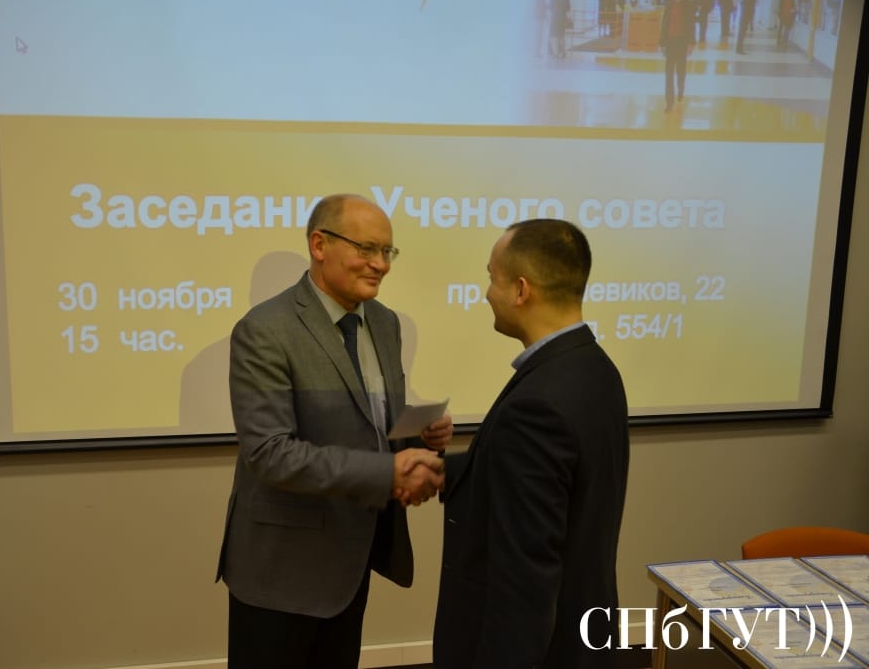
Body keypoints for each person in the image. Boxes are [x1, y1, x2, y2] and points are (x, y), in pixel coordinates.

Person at [216, 193, 453, 669]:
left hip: (350, 558)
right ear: (319, 245)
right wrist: (388, 472)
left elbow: (371, 420)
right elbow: (270, 453)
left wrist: (417, 437)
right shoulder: (265, 329)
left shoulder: (384, 323)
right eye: (367, 249)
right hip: (280, 572)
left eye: (387, 251)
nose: (381, 264)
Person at [430, 219, 630, 669]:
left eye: (491, 278)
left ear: (521, 290)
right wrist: (446, 472)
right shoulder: (596, 369)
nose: (486, 293)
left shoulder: (535, 405)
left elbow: (525, 580)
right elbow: (559, 485)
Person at [660, 0, 695, 113]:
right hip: (670, 42)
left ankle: (680, 89)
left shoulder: (688, 4)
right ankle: (669, 102)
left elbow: (691, 24)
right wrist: (662, 43)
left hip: (682, 43)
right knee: (669, 73)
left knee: (681, 70)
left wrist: (691, 43)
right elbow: (664, 23)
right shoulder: (669, 3)